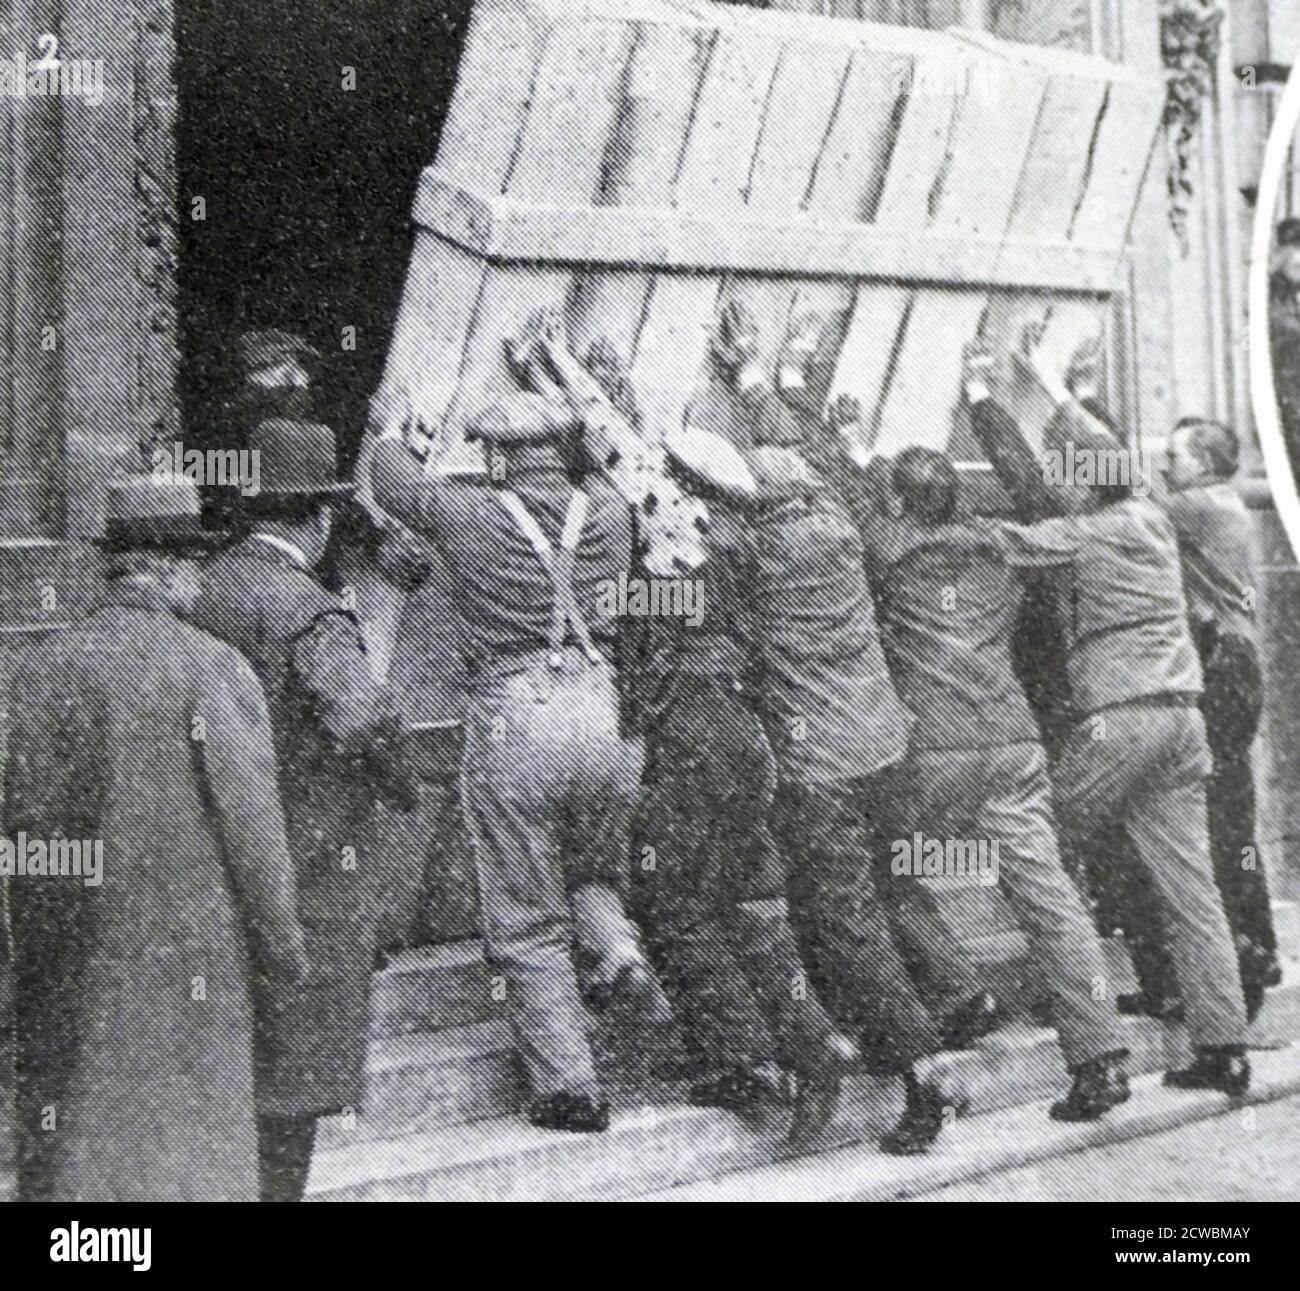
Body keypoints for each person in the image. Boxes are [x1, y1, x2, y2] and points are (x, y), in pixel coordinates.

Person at [365, 325, 666, 1136]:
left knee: (527, 910)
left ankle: (570, 1087)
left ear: (496, 458)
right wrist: (568, 384)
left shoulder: (467, 514)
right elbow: (618, 461)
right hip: (605, 716)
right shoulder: (608, 512)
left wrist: (402, 429)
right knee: (594, 865)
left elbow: (391, 484)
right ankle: (617, 952)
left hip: (518, 720)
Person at [565, 338, 857, 1144]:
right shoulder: (736, 547)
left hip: (690, 735)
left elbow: (632, 494)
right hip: (742, 736)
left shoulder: (675, 554)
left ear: (688, 490)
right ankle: (810, 1041)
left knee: (675, 904)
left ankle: (747, 1061)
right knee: (738, 904)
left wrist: (582, 392)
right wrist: (612, 393)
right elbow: (645, 479)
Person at [704, 303, 973, 1155]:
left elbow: (686, 509)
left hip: (820, 771)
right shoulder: (844, 527)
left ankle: (923, 1072)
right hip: (885, 751)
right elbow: (819, 457)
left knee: (847, 922)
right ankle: (914, 1011)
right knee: (856, 912)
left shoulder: (754, 558)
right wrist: (766, 386)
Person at [820, 398, 1130, 1121]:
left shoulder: (888, 550)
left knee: (883, 867)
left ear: (898, 502)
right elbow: (1034, 494)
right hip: (1013, 741)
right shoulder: (999, 546)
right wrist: (987, 399)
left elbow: (849, 489)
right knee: (1049, 898)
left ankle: (955, 990)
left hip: (936, 750)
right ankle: (1101, 1055)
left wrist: (835, 430)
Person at [5, 475, 308, 1200]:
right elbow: (254, 834)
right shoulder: (212, 668)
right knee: (184, 1155)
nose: (201, 583)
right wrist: (284, 950)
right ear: (171, 569)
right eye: (196, 566)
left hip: (62, 952)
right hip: (186, 963)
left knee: (74, 1151)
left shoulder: (35, 669)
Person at [965, 333, 1252, 1098]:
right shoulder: (1157, 520)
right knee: (1194, 891)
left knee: (1044, 862)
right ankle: (1224, 1047)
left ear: (1085, 483)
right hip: (1182, 722)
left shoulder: (1080, 536)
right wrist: (1050, 383)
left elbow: (996, 540)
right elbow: (1094, 448)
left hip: (1114, 723)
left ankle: (1096, 1049)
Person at [192, 416, 418, 1201]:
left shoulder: (204, 589)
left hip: (218, 861)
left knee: (234, 1061)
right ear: (319, 518)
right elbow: (360, 719)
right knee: (293, 1081)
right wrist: (402, 781)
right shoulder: (312, 610)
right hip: (311, 869)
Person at [1164, 416, 1280, 1018]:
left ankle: (1246, 954)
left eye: (1174, 456)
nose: (1164, 465)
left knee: (1221, 819)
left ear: (1204, 463)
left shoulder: (1197, 506)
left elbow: (1115, 498)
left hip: (1223, 666)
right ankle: (1255, 948)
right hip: (1238, 663)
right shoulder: (1224, 501)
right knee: (1233, 816)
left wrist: (1061, 395)